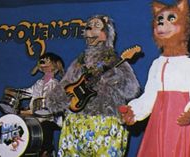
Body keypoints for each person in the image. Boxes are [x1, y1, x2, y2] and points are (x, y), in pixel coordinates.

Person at [119, 0, 190, 157]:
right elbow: (150, 95)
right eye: (159, 20)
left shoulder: (189, 64)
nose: (162, 24)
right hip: (159, 122)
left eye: (170, 19)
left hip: (181, 121)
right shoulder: (157, 64)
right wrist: (134, 111)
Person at [46, 15, 141, 157]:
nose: (90, 28)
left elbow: (132, 90)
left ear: (106, 33)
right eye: (89, 26)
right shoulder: (80, 61)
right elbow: (66, 83)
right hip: (76, 123)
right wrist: (56, 98)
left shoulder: (115, 61)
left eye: (96, 25)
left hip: (105, 123)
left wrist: (114, 77)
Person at [4, 52, 64, 157]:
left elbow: (60, 102)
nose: (45, 67)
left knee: (45, 126)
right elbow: (26, 92)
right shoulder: (38, 83)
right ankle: (17, 150)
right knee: (19, 122)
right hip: (35, 116)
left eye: (48, 64)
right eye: (43, 64)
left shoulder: (56, 85)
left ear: (55, 66)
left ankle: (46, 151)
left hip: (51, 118)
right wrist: (14, 92)